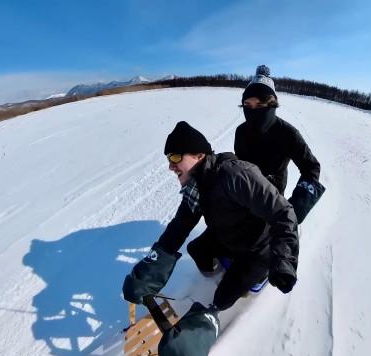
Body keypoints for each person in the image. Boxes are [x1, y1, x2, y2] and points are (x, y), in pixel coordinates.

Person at [123, 121, 299, 312]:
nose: (170, 166)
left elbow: (283, 212)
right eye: (168, 159)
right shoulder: (196, 186)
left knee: (222, 299)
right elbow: (179, 226)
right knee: (196, 250)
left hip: (257, 247)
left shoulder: (236, 175)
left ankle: (252, 278)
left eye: (175, 157)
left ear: (198, 155)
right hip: (228, 236)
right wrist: (149, 271)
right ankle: (223, 275)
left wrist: (284, 260)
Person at [235, 65, 324, 224]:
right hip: (244, 198)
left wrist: (295, 210)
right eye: (247, 105)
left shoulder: (288, 134)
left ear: (271, 104)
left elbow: (311, 167)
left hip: (273, 198)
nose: (252, 111)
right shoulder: (241, 131)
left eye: (260, 105)